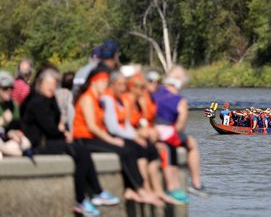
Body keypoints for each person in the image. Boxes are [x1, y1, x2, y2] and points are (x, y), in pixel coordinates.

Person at [22, 67, 120, 216]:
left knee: (81, 151)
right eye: (48, 84)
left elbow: (56, 121)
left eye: (54, 84)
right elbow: (50, 128)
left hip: (50, 140)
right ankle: (82, 200)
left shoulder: (49, 100)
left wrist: (60, 129)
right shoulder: (36, 102)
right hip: (40, 145)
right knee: (80, 151)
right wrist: (62, 132)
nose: (51, 87)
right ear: (40, 83)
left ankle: (97, 193)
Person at [72, 68, 160, 205]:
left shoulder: (97, 99)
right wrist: (111, 140)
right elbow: (92, 127)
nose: (106, 86)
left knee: (130, 148)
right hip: (84, 139)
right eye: (104, 83)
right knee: (125, 150)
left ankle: (135, 189)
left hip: (95, 138)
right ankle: (139, 190)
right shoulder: (87, 99)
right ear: (95, 83)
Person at [101, 71, 169, 203]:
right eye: (141, 88)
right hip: (115, 136)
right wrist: (137, 135)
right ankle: (144, 189)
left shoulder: (134, 101)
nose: (144, 91)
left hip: (129, 134)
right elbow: (115, 126)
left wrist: (142, 133)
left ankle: (157, 190)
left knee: (152, 150)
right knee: (139, 149)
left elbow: (131, 124)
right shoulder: (118, 99)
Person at [153, 65, 207, 200]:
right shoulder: (180, 101)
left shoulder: (154, 92)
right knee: (192, 144)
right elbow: (180, 127)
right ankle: (196, 183)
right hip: (166, 132)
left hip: (151, 130)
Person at [0, 71, 30, 159]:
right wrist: (3, 120)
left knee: (25, 142)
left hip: (8, 140)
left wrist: (14, 132)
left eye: (11, 88)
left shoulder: (13, 105)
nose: (9, 91)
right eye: (5, 88)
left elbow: (16, 126)